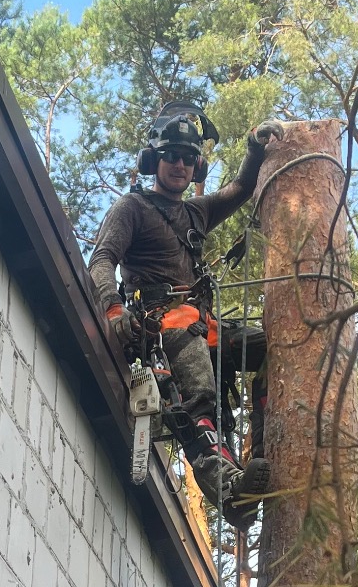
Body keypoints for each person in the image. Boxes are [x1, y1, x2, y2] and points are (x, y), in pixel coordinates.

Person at [87, 101, 278, 507]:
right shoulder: (132, 208)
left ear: (197, 168)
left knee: (269, 348)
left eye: (189, 159)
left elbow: (241, 188)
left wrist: (254, 148)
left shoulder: (197, 212)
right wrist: (112, 308)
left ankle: (260, 452)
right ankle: (228, 488)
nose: (180, 165)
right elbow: (101, 259)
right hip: (160, 325)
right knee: (200, 397)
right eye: (172, 156)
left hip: (200, 322)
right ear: (153, 161)